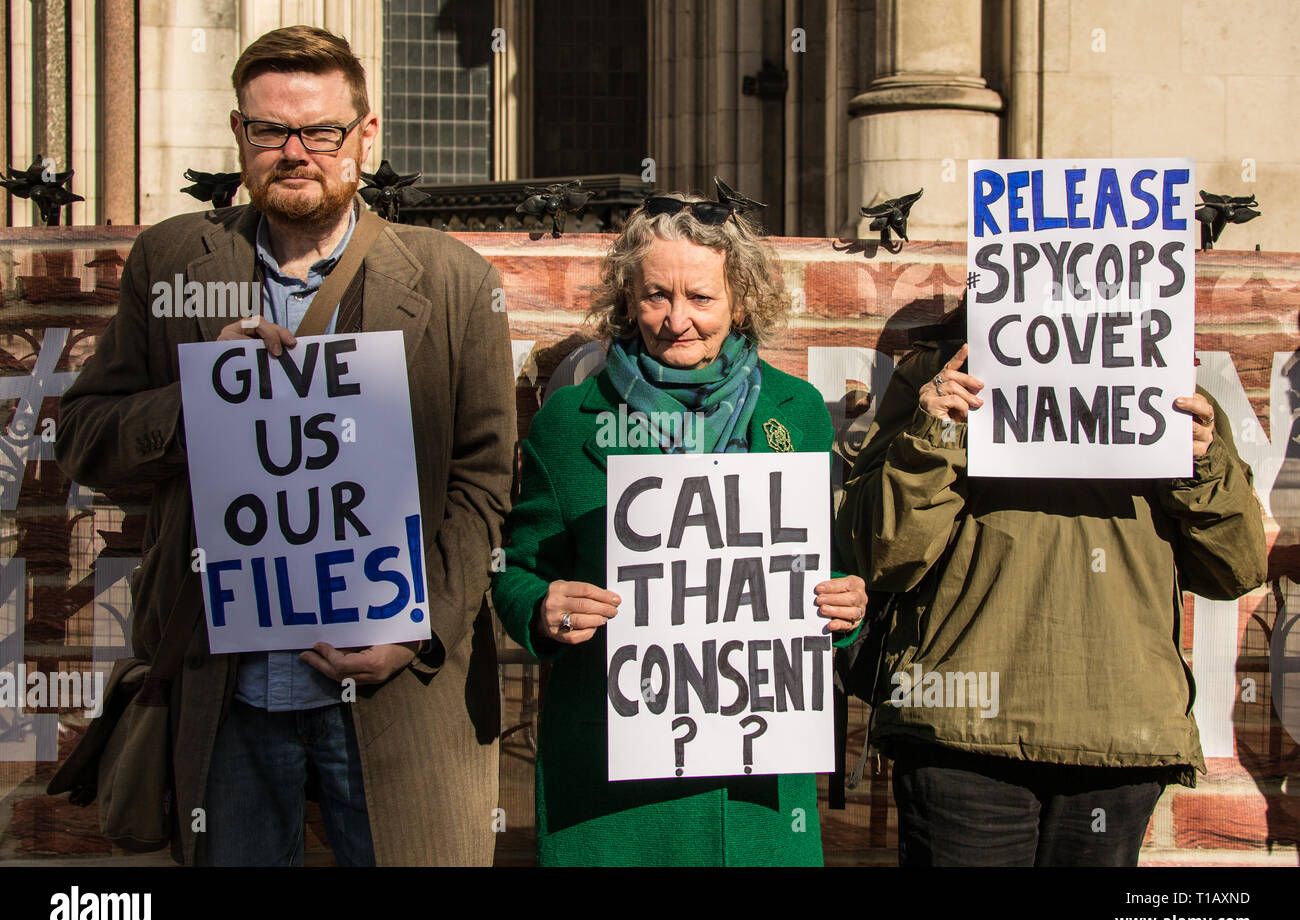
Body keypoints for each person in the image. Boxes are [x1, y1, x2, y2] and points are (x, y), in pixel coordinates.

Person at [55, 26, 515, 866]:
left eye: (321, 131)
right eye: (270, 131)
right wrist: (197, 397)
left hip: (394, 695)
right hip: (224, 690)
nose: (294, 152)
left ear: (366, 138)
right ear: (240, 136)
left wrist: (416, 631)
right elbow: (87, 440)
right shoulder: (175, 262)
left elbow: (482, 484)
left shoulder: (453, 282)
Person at [491, 193, 868, 866]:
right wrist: (542, 609)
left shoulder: (798, 412)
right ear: (628, 300)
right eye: (656, 296)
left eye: (701, 297)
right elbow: (515, 573)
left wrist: (848, 607)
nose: (676, 320)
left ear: (741, 302)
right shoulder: (570, 420)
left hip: (757, 796)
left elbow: (826, 571)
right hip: (612, 796)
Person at [835, 305, 1267, 866]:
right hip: (960, 732)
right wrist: (936, 430)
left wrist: (1203, 464)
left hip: (1116, 735)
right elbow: (883, 553)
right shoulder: (943, 375)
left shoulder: (1169, 387)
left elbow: (1234, 568)